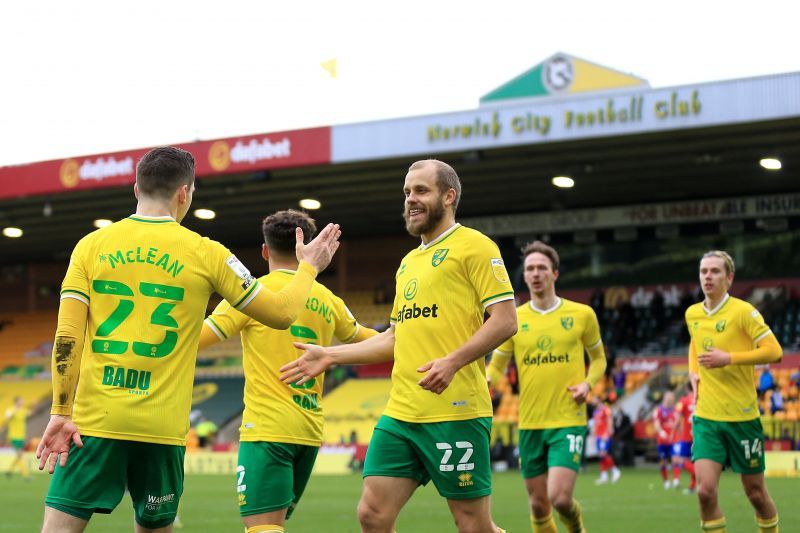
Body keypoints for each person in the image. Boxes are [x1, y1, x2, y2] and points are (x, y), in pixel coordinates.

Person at [35, 146, 341, 533]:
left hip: (94, 423)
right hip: (161, 431)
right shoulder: (208, 253)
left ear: (135, 189)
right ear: (185, 193)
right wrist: (309, 268)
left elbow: (67, 338)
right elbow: (282, 312)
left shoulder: (90, 247)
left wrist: (61, 412)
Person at [280, 159, 517, 533]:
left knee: (473, 525)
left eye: (421, 191)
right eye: (407, 192)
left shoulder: (474, 245)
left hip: (455, 412)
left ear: (449, 196)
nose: (411, 200)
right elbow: (394, 339)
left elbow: (505, 320)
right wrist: (330, 355)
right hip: (402, 413)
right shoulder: (407, 263)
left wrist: (452, 362)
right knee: (372, 515)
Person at [197, 209, 379, 533]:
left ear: (265, 250)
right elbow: (371, 341)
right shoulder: (328, 298)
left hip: (267, 429)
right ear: (307, 248)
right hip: (308, 432)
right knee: (272, 525)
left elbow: (197, 339)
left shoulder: (251, 294)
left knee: (263, 527)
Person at [485, 240, 607, 533]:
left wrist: (588, 385)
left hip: (567, 420)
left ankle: (576, 527)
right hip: (529, 423)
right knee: (539, 505)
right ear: (524, 276)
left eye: (541, 267)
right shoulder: (515, 318)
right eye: (530, 268)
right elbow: (497, 365)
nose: (535, 273)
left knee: (560, 498)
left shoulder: (582, 315)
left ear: (555, 273)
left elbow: (600, 360)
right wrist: (484, 381)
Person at [686, 250, 782, 533]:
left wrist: (729, 358)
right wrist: (693, 371)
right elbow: (695, 342)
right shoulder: (692, 313)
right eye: (704, 271)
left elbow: (775, 351)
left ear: (729, 278)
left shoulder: (744, 312)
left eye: (715, 271)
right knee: (704, 491)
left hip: (742, 418)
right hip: (707, 418)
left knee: (755, 494)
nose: (708, 277)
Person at [673, 385, 697, 494]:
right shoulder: (699, 399)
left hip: (687, 437)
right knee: (695, 461)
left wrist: (673, 432)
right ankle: (692, 487)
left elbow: (677, 420)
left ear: (687, 389)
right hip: (699, 436)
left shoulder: (683, 401)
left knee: (681, 460)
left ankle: (700, 476)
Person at [591, 396, 620, 485]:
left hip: (604, 435)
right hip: (598, 436)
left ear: (599, 399)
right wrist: (593, 436)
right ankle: (604, 476)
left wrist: (607, 433)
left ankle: (615, 471)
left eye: (594, 399)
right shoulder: (595, 412)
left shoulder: (605, 409)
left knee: (604, 454)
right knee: (601, 455)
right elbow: (595, 425)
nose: (592, 400)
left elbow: (610, 420)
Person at [653, 390, 678, 489]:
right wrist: (661, 432)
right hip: (662, 440)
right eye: (670, 398)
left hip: (673, 439)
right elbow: (656, 424)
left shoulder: (675, 410)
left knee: (675, 458)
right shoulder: (658, 410)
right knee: (663, 461)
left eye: (673, 398)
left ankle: (676, 480)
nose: (672, 400)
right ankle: (666, 481)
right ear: (665, 398)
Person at [5, 396, 31, 480]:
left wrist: (34, 404)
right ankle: (26, 475)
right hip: (13, 436)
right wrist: (15, 411)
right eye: (21, 401)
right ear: (16, 402)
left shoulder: (23, 410)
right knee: (20, 454)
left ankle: (9, 471)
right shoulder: (11, 410)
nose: (22, 402)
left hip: (21, 436)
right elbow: (8, 417)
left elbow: (30, 413)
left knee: (19, 455)